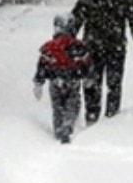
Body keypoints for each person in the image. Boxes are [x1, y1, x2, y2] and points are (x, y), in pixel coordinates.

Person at [33, 14, 91, 144]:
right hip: (73, 81)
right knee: (73, 104)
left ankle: (58, 129)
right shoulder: (78, 46)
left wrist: (38, 82)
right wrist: (86, 77)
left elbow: (42, 66)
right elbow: (86, 64)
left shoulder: (49, 47)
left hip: (55, 81)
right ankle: (68, 126)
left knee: (57, 106)